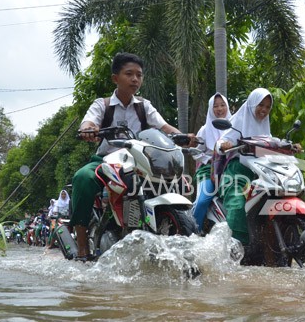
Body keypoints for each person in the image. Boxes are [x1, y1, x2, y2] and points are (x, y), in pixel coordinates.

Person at [71, 52, 190, 261]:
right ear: (115, 78)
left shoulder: (144, 106)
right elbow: (88, 122)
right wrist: (88, 129)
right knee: (83, 178)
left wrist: (183, 136)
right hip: (107, 160)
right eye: (129, 74)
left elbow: (163, 126)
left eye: (139, 75)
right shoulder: (103, 104)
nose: (135, 79)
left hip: (139, 160)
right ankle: (82, 246)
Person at [216, 88, 273, 246]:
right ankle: (236, 246)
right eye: (261, 105)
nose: (264, 110)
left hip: (260, 174)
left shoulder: (265, 126)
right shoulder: (238, 122)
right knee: (238, 204)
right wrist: (224, 145)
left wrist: (289, 146)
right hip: (237, 173)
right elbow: (221, 141)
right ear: (252, 103)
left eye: (268, 107)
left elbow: (272, 142)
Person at [191, 93, 231, 232]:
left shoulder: (235, 127)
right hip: (208, 171)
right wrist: (210, 159)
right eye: (215, 106)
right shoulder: (205, 129)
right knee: (202, 201)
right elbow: (195, 152)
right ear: (210, 109)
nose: (219, 109)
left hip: (230, 170)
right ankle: (192, 233)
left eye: (222, 105)